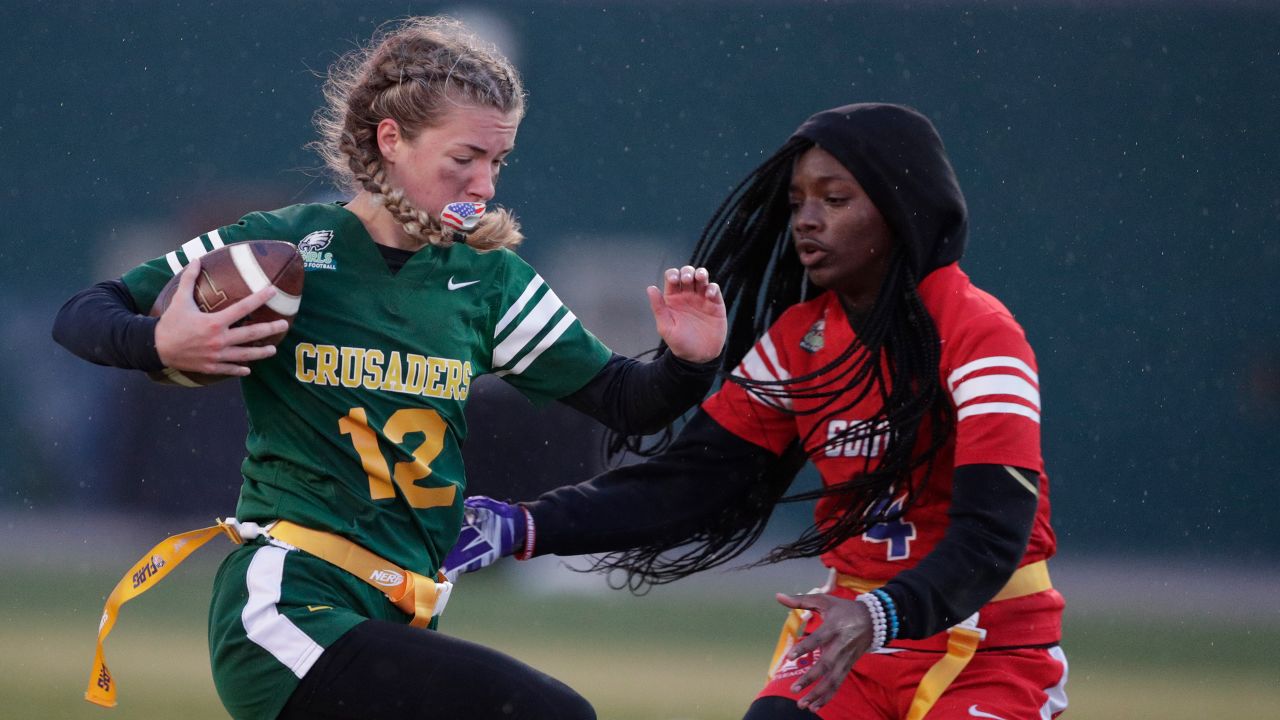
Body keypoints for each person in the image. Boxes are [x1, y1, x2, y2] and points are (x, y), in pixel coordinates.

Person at [52, 16, 726, 720]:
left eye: (498, 162)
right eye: (465, 158)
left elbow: (628, 401)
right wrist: (156, 345)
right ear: (391, 139)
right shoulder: (289, 247)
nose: (485, 185)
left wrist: (688, 360)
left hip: (400, 607)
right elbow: (84, 312)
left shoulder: (489, 281)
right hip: (289, 603)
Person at [445, 103, 1068, 719]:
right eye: (798, 202)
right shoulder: (802, 339)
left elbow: (994, 533)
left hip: (989, 642)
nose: (807, 221)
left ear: (903, 210)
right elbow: (691, 483)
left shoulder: (981, 333)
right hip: (844, 634)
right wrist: (525, 526)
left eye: (835, 199)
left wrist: (882, 614)